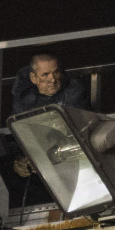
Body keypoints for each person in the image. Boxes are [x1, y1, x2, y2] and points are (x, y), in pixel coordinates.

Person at [7, 52, 91, 204]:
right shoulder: (23, 100)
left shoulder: (74, 91)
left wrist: (41, 157)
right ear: (33, 78)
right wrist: (19, 160)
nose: (52, 79)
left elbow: (69, 132)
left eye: (56, 72)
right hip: (36, 163)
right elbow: (16, 135)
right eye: (45, 75)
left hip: (67, 158)